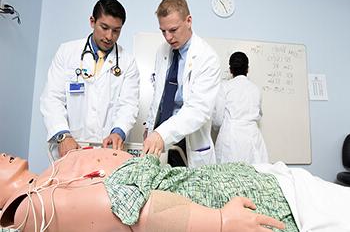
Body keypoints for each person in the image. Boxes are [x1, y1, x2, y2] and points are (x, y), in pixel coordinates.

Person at [2, 149, 350, 232]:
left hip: (274, 183)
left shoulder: (51, 172)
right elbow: (134, 209)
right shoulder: (30, 206)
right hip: (251, 207)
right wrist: (219, 220)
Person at [40, 0, 139, 159]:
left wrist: (118, 131)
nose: (109, 36)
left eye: (116, 31)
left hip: (107, 150)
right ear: (92, 22)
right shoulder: (67, 52)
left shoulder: (127, 62)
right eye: (104, 27)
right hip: (70, 147)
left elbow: (128, 105)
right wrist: (63, 135)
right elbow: (52, 98)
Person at [143, 0, 221, 168]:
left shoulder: (207, 57)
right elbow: (159, 97)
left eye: (173, 29)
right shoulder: (162, 51)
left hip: (188, 140)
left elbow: (199, 109)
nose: (168, 37)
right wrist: (149, 127)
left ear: (189, 21)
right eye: (163, 31)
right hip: (159, 134)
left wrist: (161, 134)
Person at [212, 52, 268, 164]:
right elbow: (258, 115)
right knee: (254, 175)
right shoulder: (255, 89)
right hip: (252, 138)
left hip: (230, 138)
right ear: (247, 69)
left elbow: (217, 121)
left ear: (230, 70)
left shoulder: (224, 87)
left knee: (227, 177)